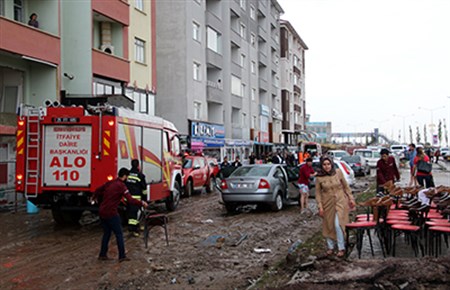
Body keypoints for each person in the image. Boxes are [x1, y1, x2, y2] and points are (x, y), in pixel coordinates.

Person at [92, 168, 148, 262]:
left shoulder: (110, 182)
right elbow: (130, 200)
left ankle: (102, 254)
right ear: (125, 176)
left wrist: (94, 197)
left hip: (102, 212)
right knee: (119, 234)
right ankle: (122, 256)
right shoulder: (121, 186)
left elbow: (98, 189)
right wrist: (142, 203)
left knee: (107, 233)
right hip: (111, 212)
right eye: (127, 177)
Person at [315, 156, 355, 257]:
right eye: (324, 165)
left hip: (340, 201)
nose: (327, 166)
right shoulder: (319, 177)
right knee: (329, 224)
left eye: (328, 164)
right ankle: (330, 247)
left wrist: (351, 198)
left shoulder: (338, 172)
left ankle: (341, 247)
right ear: (321, 165)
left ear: (331, 164)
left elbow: (346, 186)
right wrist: (320, 207)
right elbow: (318, 194)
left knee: (338, 224)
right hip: (327, 203)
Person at [125, 159, 147, 237]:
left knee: (131, 213)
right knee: (135, 214)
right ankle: (134, 230)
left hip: (128, 198)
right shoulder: (140, 175)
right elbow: (144, 189)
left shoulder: (127, 174)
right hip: (136, 199)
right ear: (138, 166)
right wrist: (145, 199)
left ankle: (134, 227)